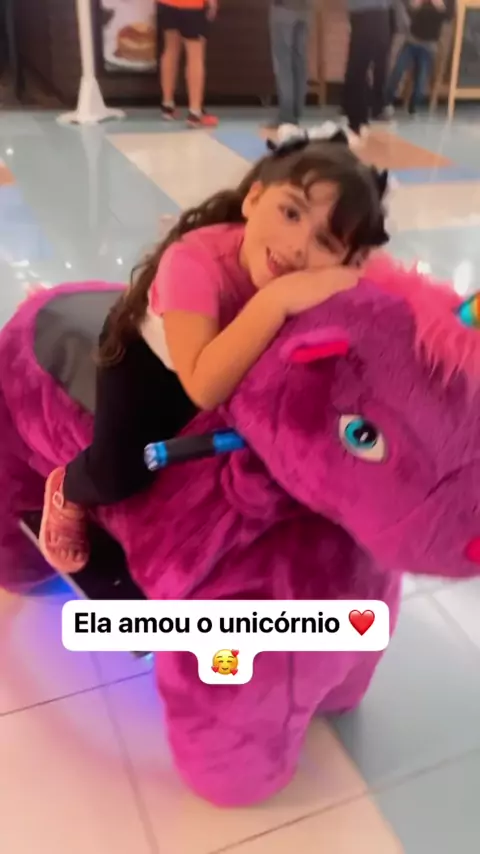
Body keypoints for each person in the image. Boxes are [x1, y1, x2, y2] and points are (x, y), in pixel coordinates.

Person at [37, 128, 389, 573]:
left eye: (325, 242)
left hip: (233, 365)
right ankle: (69, 487)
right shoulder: (194, 260)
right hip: (152, 364)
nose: (298, 246)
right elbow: (203, 385)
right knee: (121, 472)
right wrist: (276, 300)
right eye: (290, 212)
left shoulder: (318, 274)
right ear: (253, 198)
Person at [385, 0, 455, 116]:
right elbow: (407, 9)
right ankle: (386, 102)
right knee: (397, 70)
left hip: (430, 44)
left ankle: (413, 106)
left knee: (421, 82)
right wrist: (414, 5)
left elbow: (449, 16)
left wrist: (439, 5)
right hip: (412, 40)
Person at [156, 0, 219, 128]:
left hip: (166, 3)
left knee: (170, 49)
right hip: (192, 5)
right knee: (195, 54)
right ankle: (195, 113)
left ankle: (167, 106)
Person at [343, 0, 394, 137]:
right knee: (367, 66)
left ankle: (357, 120)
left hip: (365, 13)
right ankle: (364, 116)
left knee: (357, 68)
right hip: (380, 14)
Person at [268, 0, 314, 129]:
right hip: (305, 8)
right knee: (299, 60)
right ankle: (297, 111)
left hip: (284, 7)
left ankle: (287, 115)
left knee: (284, 63)